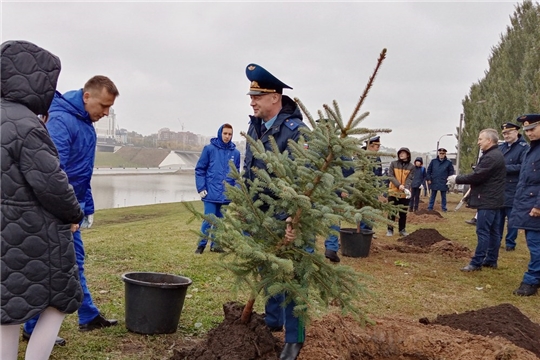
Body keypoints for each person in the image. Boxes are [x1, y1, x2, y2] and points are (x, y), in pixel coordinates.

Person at [1, 40, 84, 360]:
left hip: (4, 231)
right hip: (34, 234)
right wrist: (74, 213)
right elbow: (52, 184)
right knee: (56, 304)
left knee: (6, 309)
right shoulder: (28, 126)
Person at [23, 75, 120, 340]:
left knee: (75, 262)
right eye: (103, 106)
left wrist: (85, 207)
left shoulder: (84, 121)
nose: (105, 112)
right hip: (56, 209)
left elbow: (81, 172)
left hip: (71, 205)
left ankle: (87, 314)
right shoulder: (62, 120)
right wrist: (68, 212)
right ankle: (32, 328)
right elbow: (53, 172)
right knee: (47, 267)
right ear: (86, 96)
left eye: (109, 108)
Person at [243, 63, 306, 360]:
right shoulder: (255, 127)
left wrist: (295, 216)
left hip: (289, 216)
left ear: (275, 98)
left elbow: (308, 182)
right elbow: (250, 173)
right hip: (261, 215)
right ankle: (273, 320)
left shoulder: (295, 132)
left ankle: (294, 339)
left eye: (258, 95)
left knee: (292, 275)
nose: (252, 101)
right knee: (267, 269)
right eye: (251, 95)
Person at [447, 128, 506, 272]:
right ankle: (491, 259)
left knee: (483, 231)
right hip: (496, 200)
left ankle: (476, 262)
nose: (478, 142)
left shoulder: (491, 157)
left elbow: (478, 176)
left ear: (489, 141)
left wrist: (457, 179)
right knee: (494, 232)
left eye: (480, 139)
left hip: (488, 200)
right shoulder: (495, 154)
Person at [194, 123, 241, 254]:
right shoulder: (209, 149)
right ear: (220, 133)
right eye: (225, 133)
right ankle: (201, 245)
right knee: (209, 219)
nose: (227, 136)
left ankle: (216, 245)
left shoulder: (235, 153)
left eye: (230, 134)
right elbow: (200, 169)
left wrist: (235, 190)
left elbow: (236, 174)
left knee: (220, 220)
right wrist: (201, 187)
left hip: (226, 194)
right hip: (210, 192)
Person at [508, 114, 540, 296]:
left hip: (535, 205)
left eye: (532, 129)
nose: (529, 133)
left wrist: (538, 205)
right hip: (527, 202)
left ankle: (531, 280)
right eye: (526, 130)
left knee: (536, 245)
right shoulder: (531, 149)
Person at [498, 122, 529, 251]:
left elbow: (524, 167)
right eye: (504, 133)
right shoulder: (501, 148)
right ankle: (496, 241)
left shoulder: (524, 148)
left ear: (516, 132)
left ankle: (510, 243)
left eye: (509, 132)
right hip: (500, 187)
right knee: (498, 219)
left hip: (514, 188)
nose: (506, 135)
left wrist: (504, 168)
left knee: (512, 219)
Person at [386, 147, 414, 237]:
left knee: (403, 213)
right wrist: (399, 185)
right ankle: (390, 230)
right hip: (393, 192)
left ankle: (402, 229)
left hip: (404, 194)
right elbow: (390, 176)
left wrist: (405, 188)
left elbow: (410, 179)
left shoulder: (411, 167)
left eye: (403, 153)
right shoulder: (393, 164)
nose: (401, 154)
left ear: (408, 155)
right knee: (392, 212)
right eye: (400, 153)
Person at [426, 147, 455, 212]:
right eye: (440, 153)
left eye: (443, 153)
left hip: (444, 181)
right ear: (438, 153)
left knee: (443, 196)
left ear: (445, 154)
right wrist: (429, 179)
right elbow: (428, 171)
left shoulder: (448, 162)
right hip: (434, 181)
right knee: (432, 196)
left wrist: (449, 180)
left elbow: (451, 172)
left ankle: (444, 208)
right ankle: (430, 208)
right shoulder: (433, 161)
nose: (441, 154)